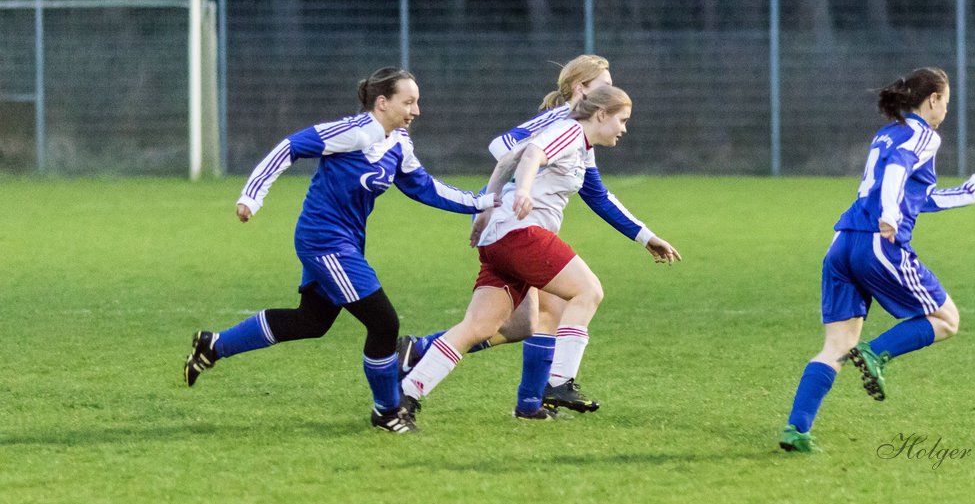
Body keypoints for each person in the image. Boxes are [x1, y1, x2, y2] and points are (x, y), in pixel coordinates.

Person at [182, 67, 497, 433]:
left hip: (346, 243)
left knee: (311, 321)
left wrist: (484, 202)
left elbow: (425, 188)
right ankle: (387, 411)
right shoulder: (354, 132)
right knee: (383, 322)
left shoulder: (399, 144)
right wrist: (251, 196)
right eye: (409, 101)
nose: (416, 110)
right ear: (382, 102)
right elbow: (290, 147)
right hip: (323, 240)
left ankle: (214, 346)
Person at [398, 55, 680, 414]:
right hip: (521, 232)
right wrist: (523, 191)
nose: (624, 129)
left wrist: (486, 208)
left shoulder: (581, 143)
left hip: (501, 236)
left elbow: (516, 164)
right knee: (587, 291)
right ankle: (558, 383)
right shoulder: (567, 127)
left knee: (482, 326)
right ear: (599, 109)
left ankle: (405, 395)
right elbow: (524, 152)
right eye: (622, 119)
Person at [779, 67, 975, 453]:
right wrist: (890, 215)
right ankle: (876, 352)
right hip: (878, 242)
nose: (946, 109)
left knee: (837, 345)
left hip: (842, 243)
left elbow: (918, 198)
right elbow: (895, 176)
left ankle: (796, 429)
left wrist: (967, 193)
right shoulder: (924, 134)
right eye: (947, 101)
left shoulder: (887, 132)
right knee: (946, 319)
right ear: (933, 100)